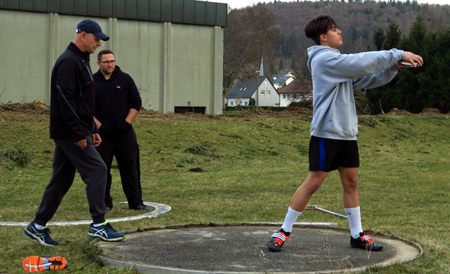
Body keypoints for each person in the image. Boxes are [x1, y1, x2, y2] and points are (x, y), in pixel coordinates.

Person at [266, 15, 423, 252]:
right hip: (326, 133)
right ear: (323, 37)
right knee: (314, 182)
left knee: (351, 182)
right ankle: (283, 232)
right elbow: (359, 63)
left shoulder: (337, 62)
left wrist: (393, 68)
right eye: (334, 29)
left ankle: (357, 236)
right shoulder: (324, 60)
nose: (339, 32)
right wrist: (397, 53)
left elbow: (366, 79)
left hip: (347, 134)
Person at [23, 19, 126, 247]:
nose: (98, 43)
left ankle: (37, 226)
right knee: (98, 169)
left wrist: (90, 128)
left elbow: (81, 101)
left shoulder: (80, 60)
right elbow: (65, 100)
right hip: (69, 132)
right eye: (96, 38)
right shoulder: (69, 62)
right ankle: (98, 225)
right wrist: (80, 133)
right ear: (83, 36)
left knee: (61, 179)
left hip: (75, 129)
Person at [93, 50, 151, 212]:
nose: (110, 64)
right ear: (99, 63)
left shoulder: (125, 79)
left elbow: (136, 102)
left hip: (125, 133)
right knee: (102, 169)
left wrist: (127, 122)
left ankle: (136, 202)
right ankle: (105, 203)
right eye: (106, 62)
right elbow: (84, 106)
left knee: (130, 168)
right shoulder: (91, 81)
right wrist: (96, 125)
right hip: (102, 135)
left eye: (112, 61)